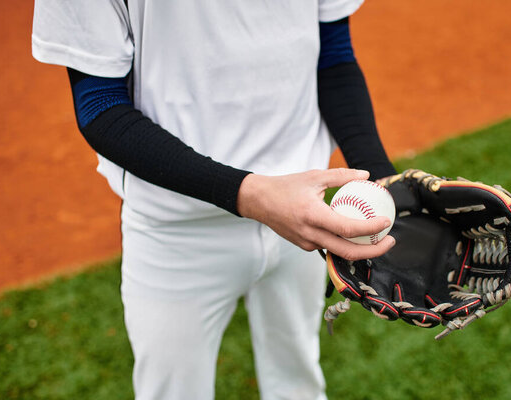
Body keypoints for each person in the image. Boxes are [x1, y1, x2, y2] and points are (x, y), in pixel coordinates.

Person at [32, 0, 397, 398]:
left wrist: (383, 180)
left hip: (309, 215)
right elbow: (100, 107)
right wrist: (254, 195)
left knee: (298, 383)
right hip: (177, 232)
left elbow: (334, 55)